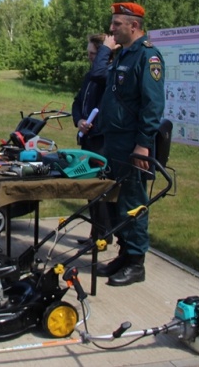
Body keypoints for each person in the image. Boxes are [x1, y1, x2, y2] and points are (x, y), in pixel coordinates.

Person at [95, 2, 165, 287]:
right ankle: (124, 255)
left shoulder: (147, 57)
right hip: (113, 141)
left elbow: (152, 104)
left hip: (131, 144)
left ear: (133, 26)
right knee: (116, 201)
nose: (111, 29)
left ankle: (136, 263)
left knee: (133, 201)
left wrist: (143, 145)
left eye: (117, 24)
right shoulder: (122, 54)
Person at [72, 32, 115, 247]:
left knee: (99, 189)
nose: (89, 57)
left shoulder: (108, 73)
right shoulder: (91, 75)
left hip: (102, 141)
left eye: (92, 54)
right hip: (87, 138)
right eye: (88, 53)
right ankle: (96, 233)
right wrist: (79, 120)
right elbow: (78, 101)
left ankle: (102, 235)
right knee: (90, 190)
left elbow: (100, 73)